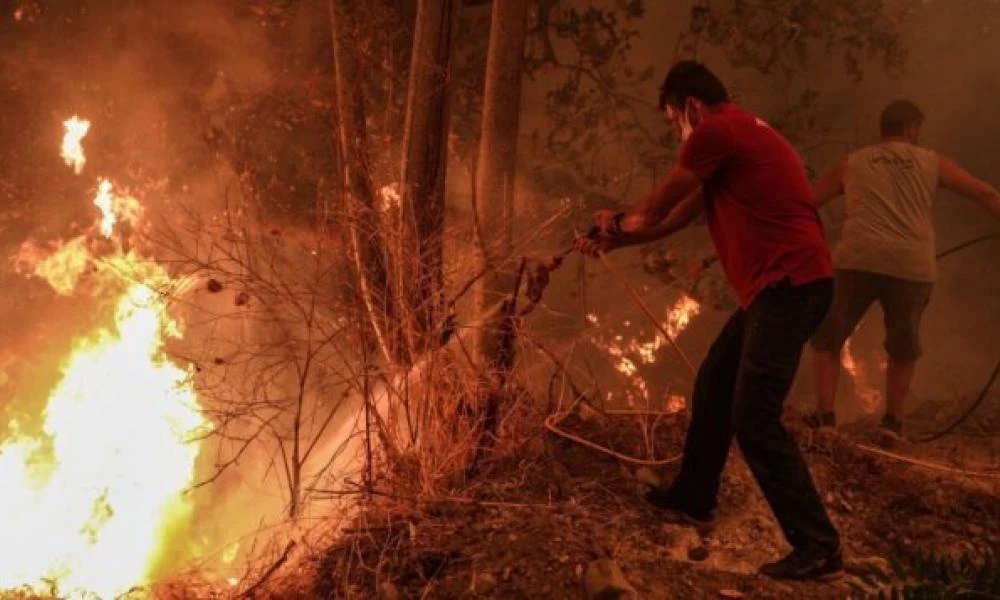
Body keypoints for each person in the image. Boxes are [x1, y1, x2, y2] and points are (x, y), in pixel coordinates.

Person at [576, 60, 841, 581]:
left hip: (789, 286)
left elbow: (655, 208)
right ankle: (694, 498)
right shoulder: (739, 135)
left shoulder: (716, 132)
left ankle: (819, 547)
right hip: (781, 288)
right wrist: (619, 239)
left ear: (691, 107)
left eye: (674, 121)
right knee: (715, 383)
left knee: (754, 417)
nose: (678, 133)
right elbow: (675, 218)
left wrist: (615, 220)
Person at [806, 100, 1000, 436]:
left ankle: (824, 422)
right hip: (911, 267)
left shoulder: (853, 162)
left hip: (857, 261)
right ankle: (892, 426)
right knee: (902, 347)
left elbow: (807, 202)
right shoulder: (933, 162)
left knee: (827, 339)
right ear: (912, 128)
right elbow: (984, 193)